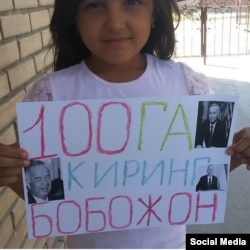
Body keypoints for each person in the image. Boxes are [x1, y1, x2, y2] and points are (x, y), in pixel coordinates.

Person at [0, 0, 250, 248]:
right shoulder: (50, 94)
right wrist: (9, 173)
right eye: (95, 5)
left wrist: (238, 152)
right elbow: (44, 196)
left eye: (132, 2)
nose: (115, 22)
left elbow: (198, 173)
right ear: (74, 17)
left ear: (155, 13)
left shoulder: (186, 85)